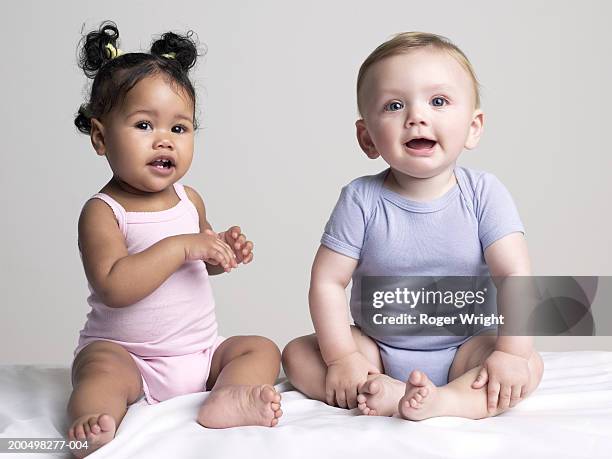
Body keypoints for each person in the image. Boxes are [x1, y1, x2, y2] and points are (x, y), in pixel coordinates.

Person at [282, 32, 544, 421]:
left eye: (438, 101)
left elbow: (515, 275)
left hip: (464, 348)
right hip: (377, 349)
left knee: (528, 365)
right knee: (297, 355)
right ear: (367, 137)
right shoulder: (360, 199)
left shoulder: (484, 193)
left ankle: (448, 401)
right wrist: (344, 358)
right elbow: (327, 281)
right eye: (394, 105)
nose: (416, 116)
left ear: (473, 127)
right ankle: (381, 388)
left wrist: (510, 354)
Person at [67, 21, 282, 457]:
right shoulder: (103, 212)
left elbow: (202, 262)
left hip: (199, 355)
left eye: (179, 129)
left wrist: (220, 251)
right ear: (101, 136)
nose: (164, 140)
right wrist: (183, 246)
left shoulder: (189, 199)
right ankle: (91, 425)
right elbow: (114, 285)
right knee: (97, 371)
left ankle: (228, 396)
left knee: (260, 349)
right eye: (144, 125)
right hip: (130, 357)